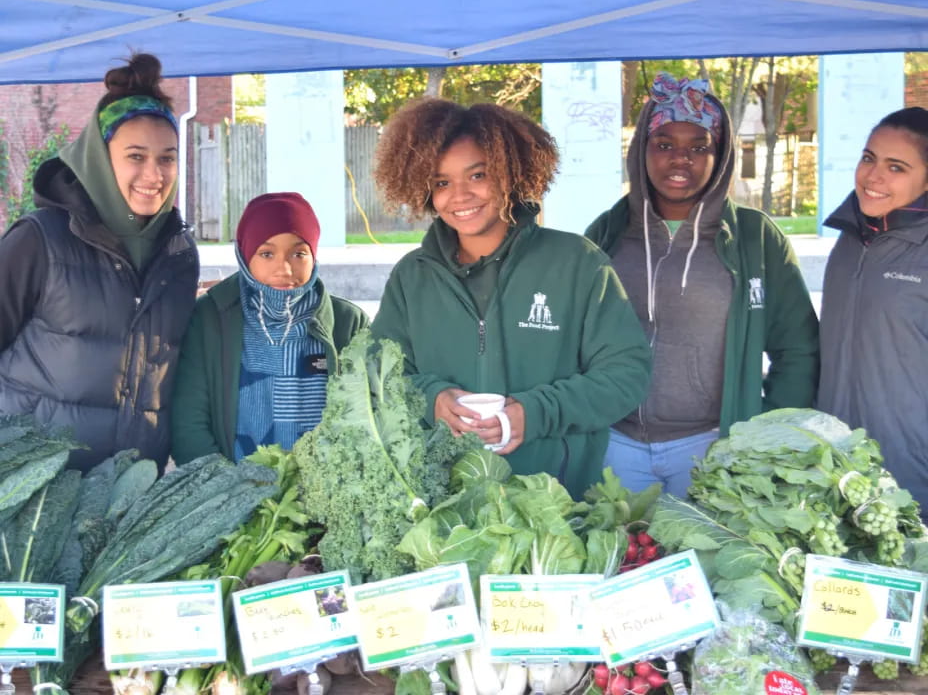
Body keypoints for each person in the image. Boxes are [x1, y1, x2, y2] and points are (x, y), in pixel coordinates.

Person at [369, 97, 651, 499]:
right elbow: (379, 372)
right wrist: (431, 399)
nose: (460, 195)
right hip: (444, 507)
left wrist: (534, 413)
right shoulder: (413, 275)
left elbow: (626, 375)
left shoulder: (576, 262)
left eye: (478, 175)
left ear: (510, 173)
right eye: (441, 182)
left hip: (560, 504)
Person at [585, 72, 819, 497]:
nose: (680, 159)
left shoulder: (756, 238)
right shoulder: (607, 232)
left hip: (711, 445)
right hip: (614, 445)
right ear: (642, 151)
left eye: (699, 147)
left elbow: (797, 349)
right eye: (664, 145)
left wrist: (765, 434)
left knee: (705, 560)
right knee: (619, 557)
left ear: (721, 154)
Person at [0, 53, 197, 471]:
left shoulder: (179, 255)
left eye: (167, 157)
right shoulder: (41, 240)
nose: (154, 174)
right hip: (32, 490)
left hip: (130, 492)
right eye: (136, 156)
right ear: (100, 157)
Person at [171, 192, 369, 463]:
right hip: (231, 492)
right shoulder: (209, 318)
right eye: (266, 254)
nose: (284, 268)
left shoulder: (348, 323)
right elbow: (189, 421)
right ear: (244, 256)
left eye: (299, 253)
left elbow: (366, 419)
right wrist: (222, 490)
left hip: (320, 497)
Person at [817, 107, 928, 518]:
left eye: (896, 167)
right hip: (837, 476)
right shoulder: (849, 242)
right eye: (869, 158)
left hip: (911, 481)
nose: (873, 176)